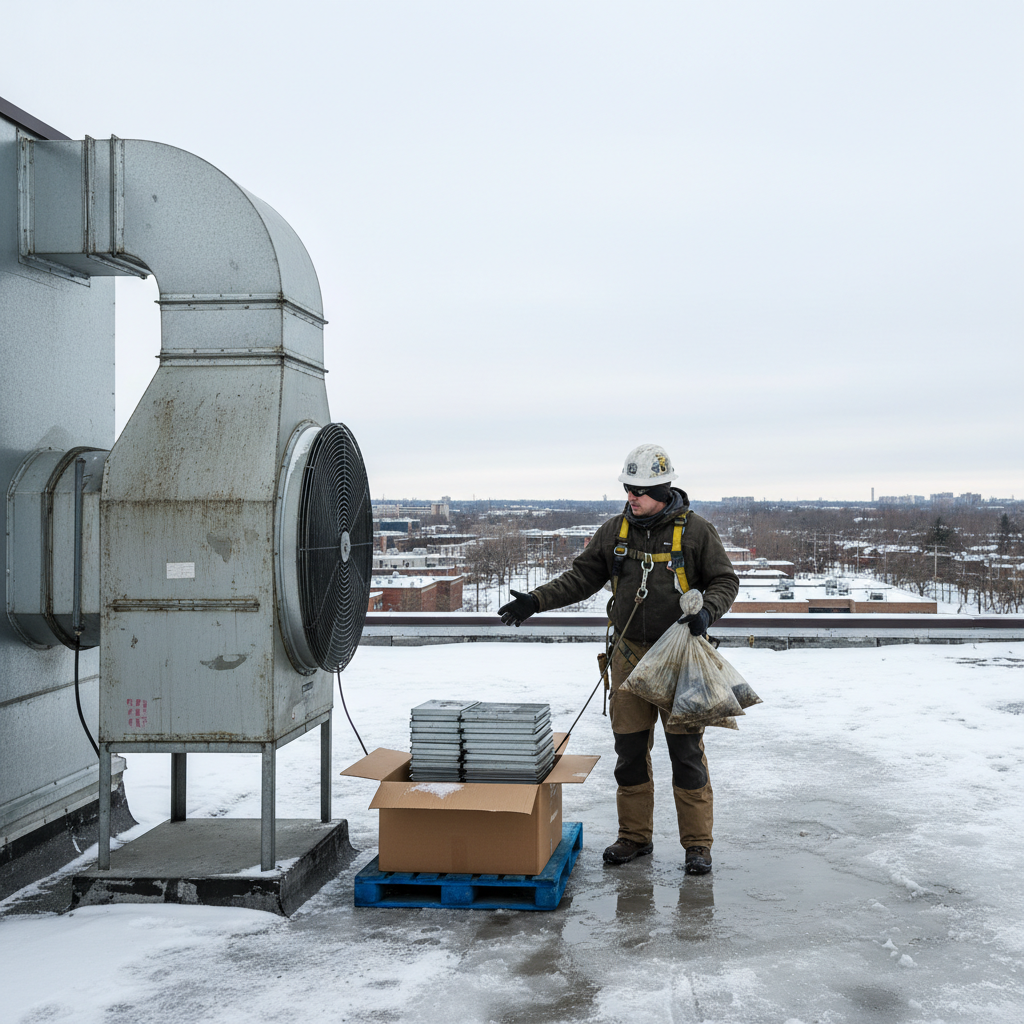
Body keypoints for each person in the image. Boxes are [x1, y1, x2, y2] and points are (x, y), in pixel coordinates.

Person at [497, 444, 738, 874]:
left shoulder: (697, 532)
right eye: (628, 489)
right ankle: (634, 837)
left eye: (641, 491)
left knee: (685, 753)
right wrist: (535, 601)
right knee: (629, 752)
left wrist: (706, 612)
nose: (632, 497)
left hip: (680, 658)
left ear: (663, 489)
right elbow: (581, 578)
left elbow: (724, 580)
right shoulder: (615, 532)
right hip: (629, 657)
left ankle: (697, 845)